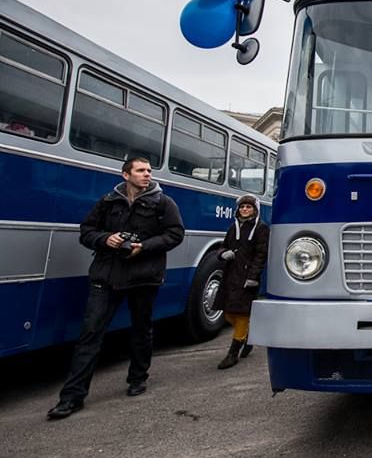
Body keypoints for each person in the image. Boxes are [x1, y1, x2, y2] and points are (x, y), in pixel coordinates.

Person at [47, 158, 184, 419]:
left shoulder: (163, 203)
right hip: (106, 276)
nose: (147, 175)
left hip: (144, 277)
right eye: (141, 170)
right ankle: (72, 398)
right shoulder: (108, 201)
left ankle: (138, 378)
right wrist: (104, 239)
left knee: (141, 329)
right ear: (125, 174)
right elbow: (86, 231)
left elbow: (175, 234)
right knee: (90, 335)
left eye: (149, 171)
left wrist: (144, 247)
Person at [213, 194, 269, 369]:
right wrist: (222, 253)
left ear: (255, 209)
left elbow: (261, 255)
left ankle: (232, 354)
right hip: (230, 274)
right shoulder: (233, 227)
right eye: (242, 207)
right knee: (229, 313)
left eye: (248, 207)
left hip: (246, 277)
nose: (244, 209)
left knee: (242, 314)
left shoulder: (261, 229)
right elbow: (224, 245)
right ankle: (247, 335)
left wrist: (253, 277)